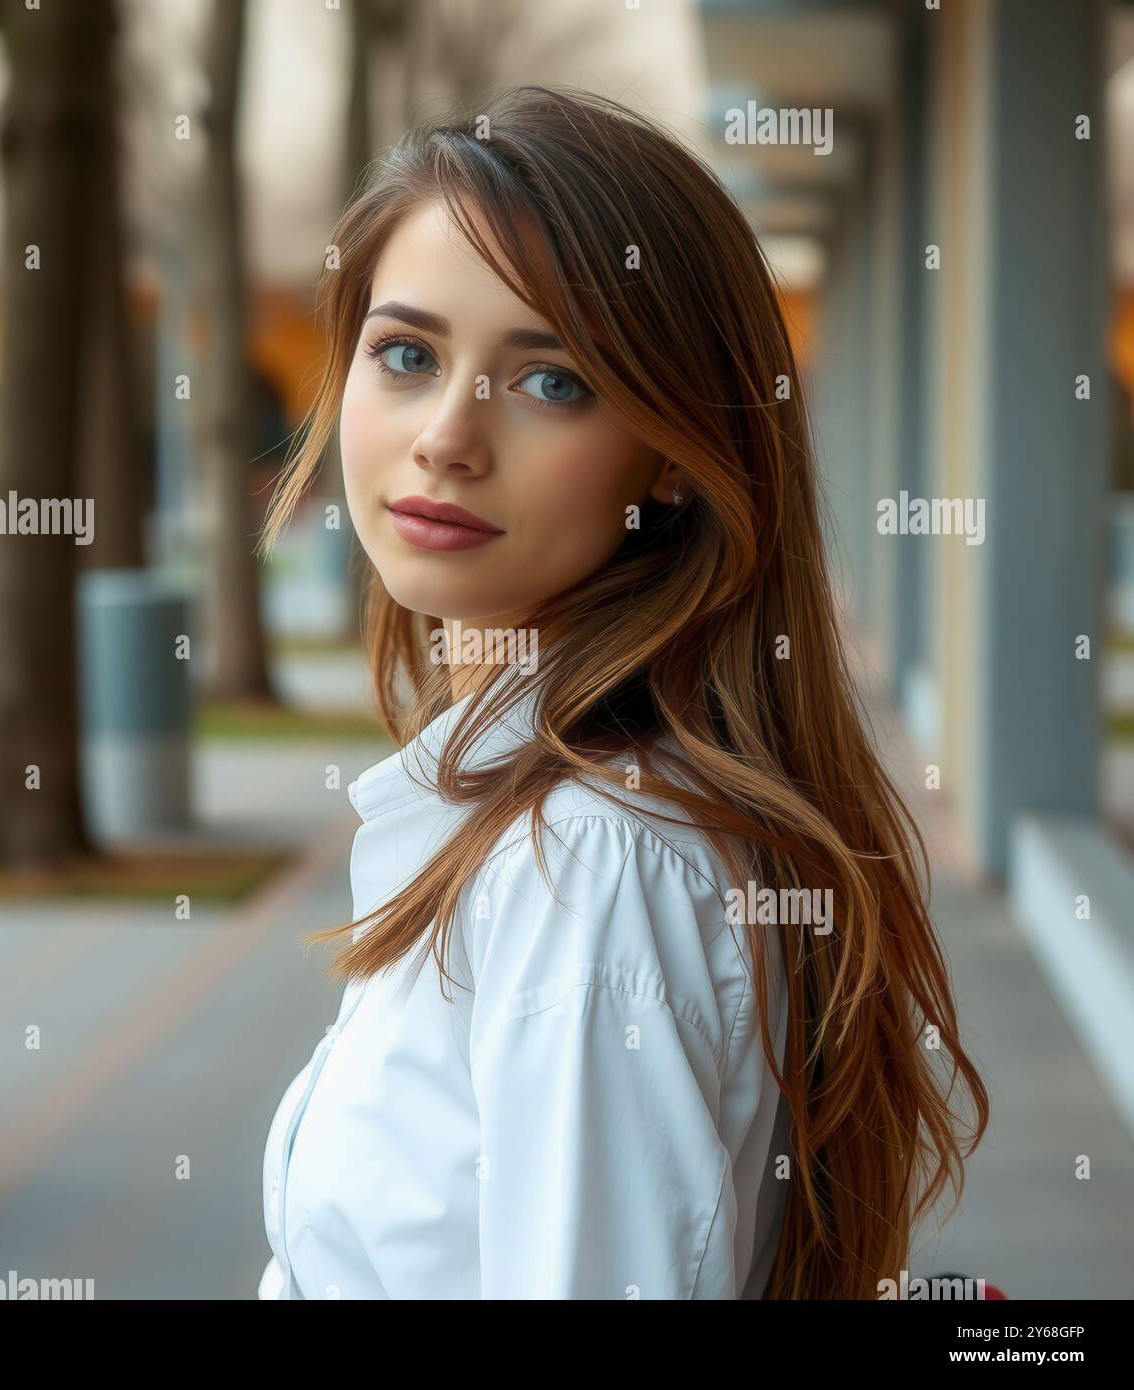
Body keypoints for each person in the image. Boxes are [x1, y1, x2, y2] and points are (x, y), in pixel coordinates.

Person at [254, 84, 989, 1300]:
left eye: (552, 382)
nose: (446, 433)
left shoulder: (589, 864)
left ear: (679, 457)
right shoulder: (538, 812)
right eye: (406, 353)